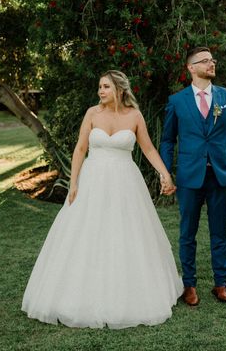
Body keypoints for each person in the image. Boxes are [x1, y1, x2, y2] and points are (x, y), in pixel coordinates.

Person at [22, 70, 182, 329]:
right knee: (86, 233)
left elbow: (148, 148)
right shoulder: (92, 114)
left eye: (106, 87)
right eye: (99, 87)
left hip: (125, 183)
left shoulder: (134, 116)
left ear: (119, 90)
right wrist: (74, 182)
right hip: (93, 180)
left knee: (126, 234)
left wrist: (165, 174)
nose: (100, 91)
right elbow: (80, 149)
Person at [160, 46, 226, 306]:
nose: (211, 64)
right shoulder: (177, 101)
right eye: (205, 61)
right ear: (191, 68)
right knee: (188, 233)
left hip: (222, 176)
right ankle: (189, 285)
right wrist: (167, 174)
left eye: (212, 60)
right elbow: (167, 140)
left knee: (219, 233)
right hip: (189, 177)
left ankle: (221, 284)